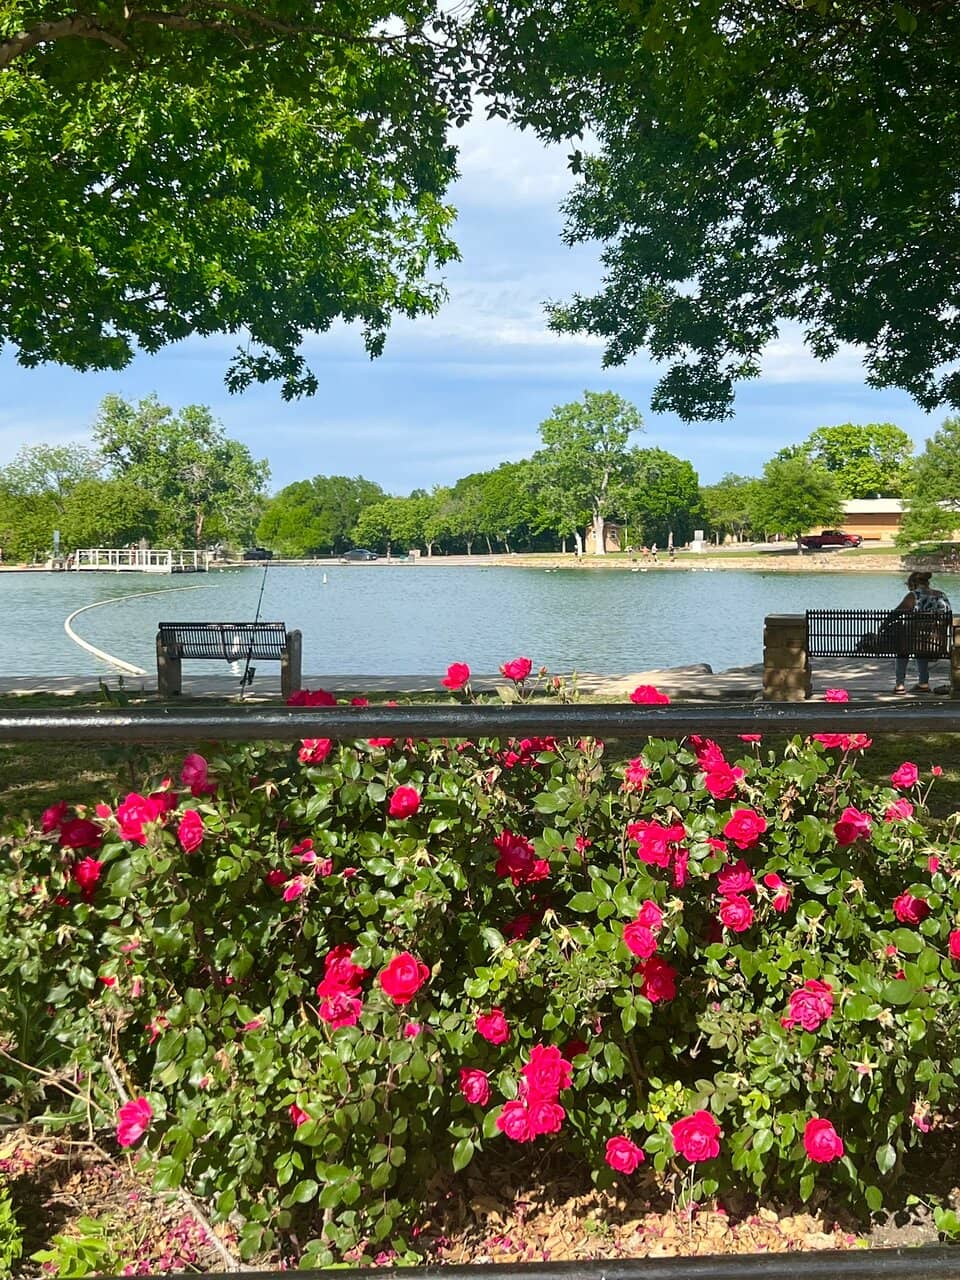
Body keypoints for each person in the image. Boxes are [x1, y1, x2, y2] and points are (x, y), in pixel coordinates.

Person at [891, 570, 951, 694]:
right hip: (938, 642)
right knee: (919, 643)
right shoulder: (941, 595)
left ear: (913, 584)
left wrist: (883, 627)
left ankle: (900, 685)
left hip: (918, 641)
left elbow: (895, 614)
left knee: (903, 648)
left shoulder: (914, 596)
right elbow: (948, 617)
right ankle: (923, 683)